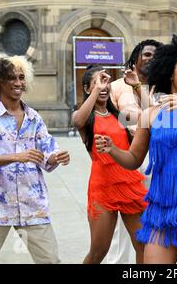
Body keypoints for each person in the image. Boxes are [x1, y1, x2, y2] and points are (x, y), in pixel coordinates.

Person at [96, 34, 177, 264]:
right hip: (162, 205)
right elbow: (134, 159)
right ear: (170, 72)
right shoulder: (151, 113)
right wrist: (113, 150)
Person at [0, 54, 70, 264]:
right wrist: (16, 157)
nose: (18, 83)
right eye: (11, 78)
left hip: (32, 203)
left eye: (22, 77)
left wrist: (56, 157)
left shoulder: (33, 117)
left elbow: (46, 152)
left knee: (51, 261)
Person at [71, 65, 147, 264]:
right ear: (87, 88)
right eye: (97, 82)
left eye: (106, 82)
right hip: (103, 188)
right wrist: (97, 88)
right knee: (98, 252)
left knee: (143, 246)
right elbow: (77, 121)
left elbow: (150, 114)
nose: (104, 87)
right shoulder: (86, 118)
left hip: (129, 184)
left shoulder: (118, 115)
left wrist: (137, 85)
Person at [108, 39, 162, 263]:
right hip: (125, 154)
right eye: (147, 54)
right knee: (123, 213)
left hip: (156, 155)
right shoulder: (117, 86)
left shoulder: (165, 86)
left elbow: (160, 119)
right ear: (136, 57)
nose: (151, 58)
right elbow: (108, 119)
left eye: (155, 55)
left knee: (153, 210)